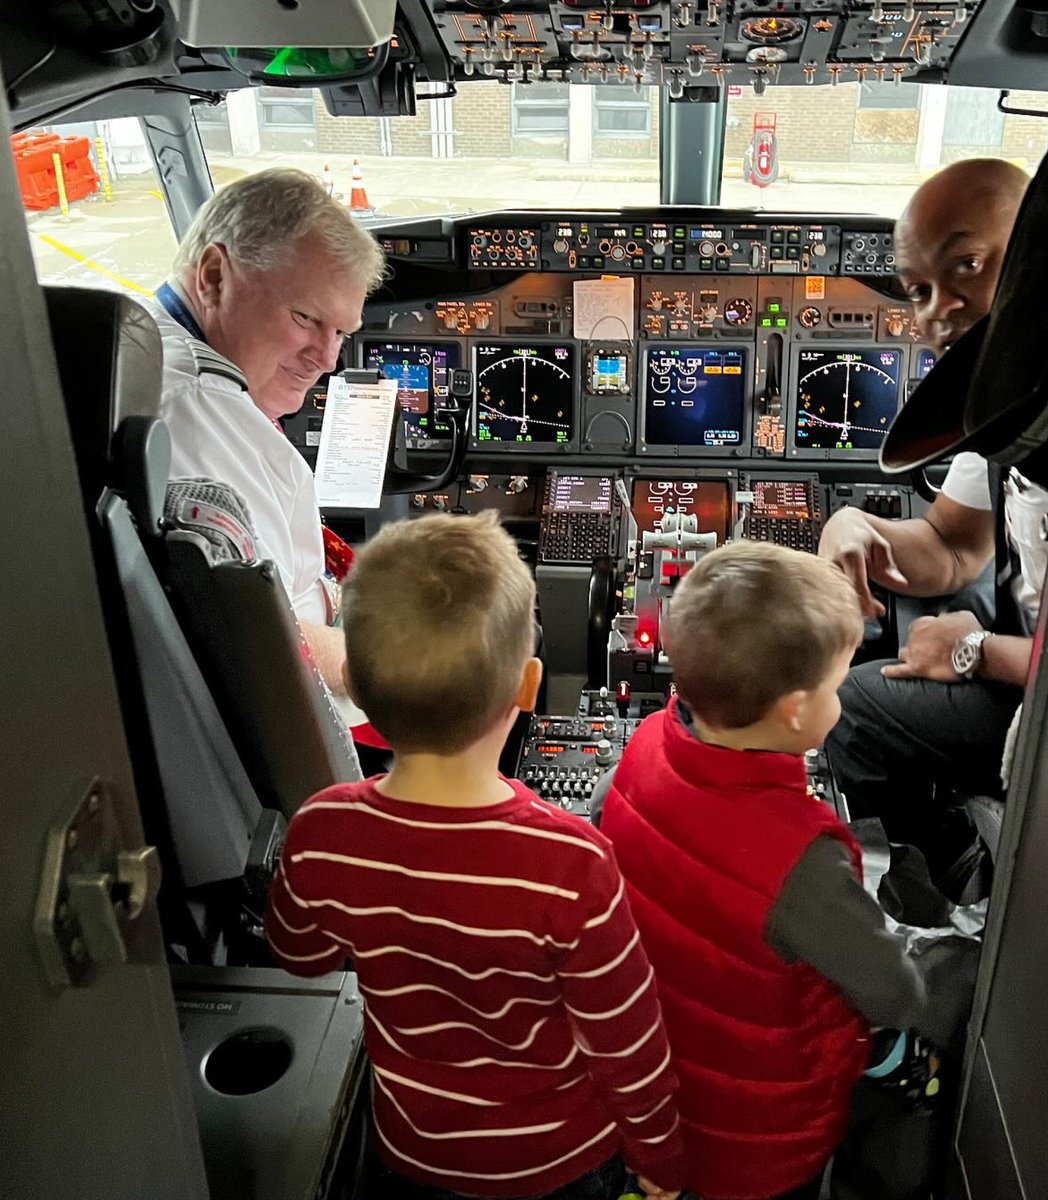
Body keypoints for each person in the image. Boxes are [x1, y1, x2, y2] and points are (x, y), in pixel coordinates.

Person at [265, 512, 684, 1200]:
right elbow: (628, 1044)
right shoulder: (573, 861)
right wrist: (659, 1155)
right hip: (560, 1167)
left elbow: (299, 954)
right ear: (529, 684)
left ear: (360, 692)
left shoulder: (324, 831)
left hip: (413, 1153)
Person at [599, 542, 971, 1200]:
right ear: (797, 712)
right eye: (835, 688)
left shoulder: (646, 746)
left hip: (652, 1090)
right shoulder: (802, 859)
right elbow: (892, 992)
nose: (841, 701)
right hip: (760, 1143)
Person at [817, 158, 1048, 867]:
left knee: (853, 706)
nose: (936, 310)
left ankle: (922, 903)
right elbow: (951, 546)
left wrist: (975, 651)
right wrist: (856, 524)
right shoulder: (1002, 403)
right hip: (1035, 660)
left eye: (968, 265)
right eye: (918, 290)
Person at [148, 167, 386, 707]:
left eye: (342, 332)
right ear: (213, 276)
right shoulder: (196, 411)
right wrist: (414, 671)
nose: (327, 359)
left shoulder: (160, 348)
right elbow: (280, 639)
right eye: (305, 317)